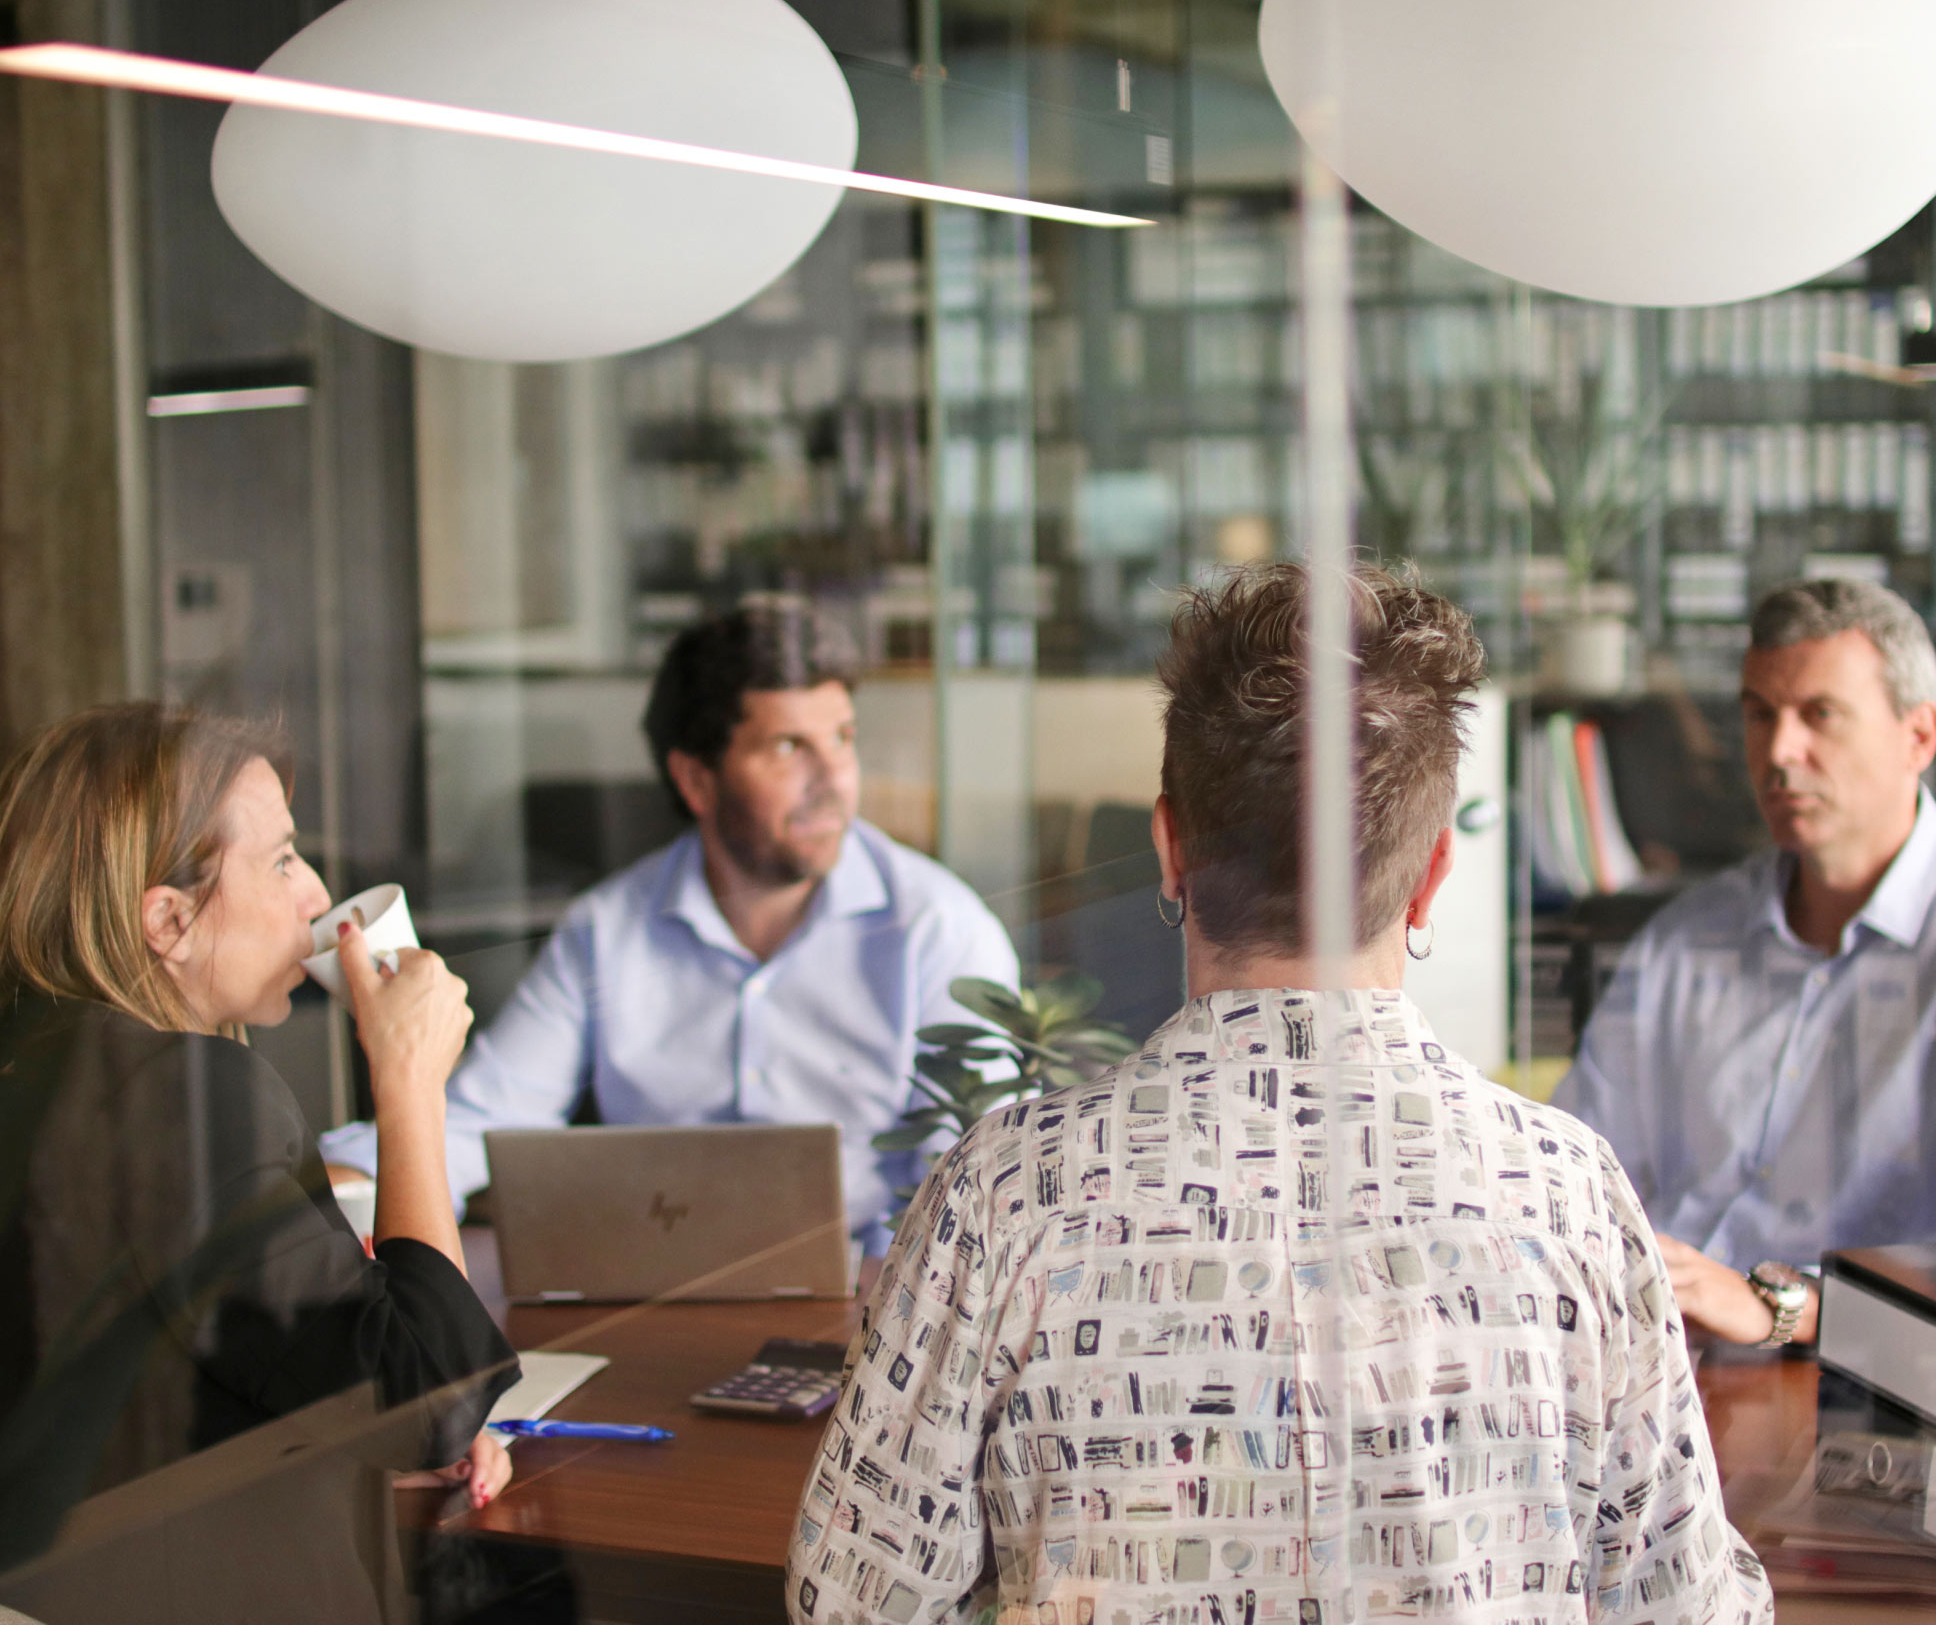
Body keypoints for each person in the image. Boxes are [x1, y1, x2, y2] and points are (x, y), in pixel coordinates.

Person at [786, 563, 1772, 1625]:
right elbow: (1692, 1611)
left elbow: (849, 1605)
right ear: (1435, 873)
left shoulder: (1007, 1193)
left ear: (1167, 849)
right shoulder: (1567, 1192)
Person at [322, 596, 1017, 1247]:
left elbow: (985, 1174)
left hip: (877, 1297)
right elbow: (485, 1116)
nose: (834, 778)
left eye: (841, 738)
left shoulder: (938, 929)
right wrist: (336, 1191)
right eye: (787, 748)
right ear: (696, 781)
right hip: (652, 1294)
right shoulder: (608, 928)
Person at [0, 704, 518, 1574]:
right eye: (282, 860)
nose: (319, 894)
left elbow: (161, 1380)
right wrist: (410, 1084)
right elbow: (428, 1400)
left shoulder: (53, 1073)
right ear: (167, 923)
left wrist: (326, 1432)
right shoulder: (187, 1093)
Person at [1555, 578, 1936, 1349]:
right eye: (1760, 714)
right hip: (1659, 1377)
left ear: (1920, 737)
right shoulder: (1686, 940)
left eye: (1820, 715)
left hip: (1871, 1398)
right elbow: (1570, 1183)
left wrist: (1789, 1309)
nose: (1779, 752)